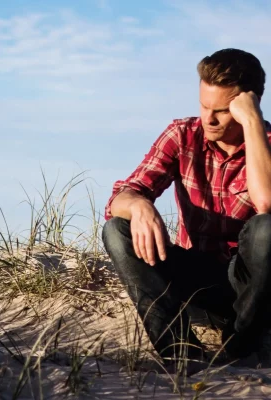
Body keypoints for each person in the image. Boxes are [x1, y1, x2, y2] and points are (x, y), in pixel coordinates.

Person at [102, 48, 271, 373]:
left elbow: (265, 204)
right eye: (204, 106)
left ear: (249, 102)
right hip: (198, 278)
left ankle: (242, 348)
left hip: (254, 286)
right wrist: (138, 205)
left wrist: (253, 123)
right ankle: (182, 356)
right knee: (116, 229)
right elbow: (119, 198)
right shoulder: (182, 134)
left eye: (221, 111)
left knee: (267, 229)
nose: (208, 119)